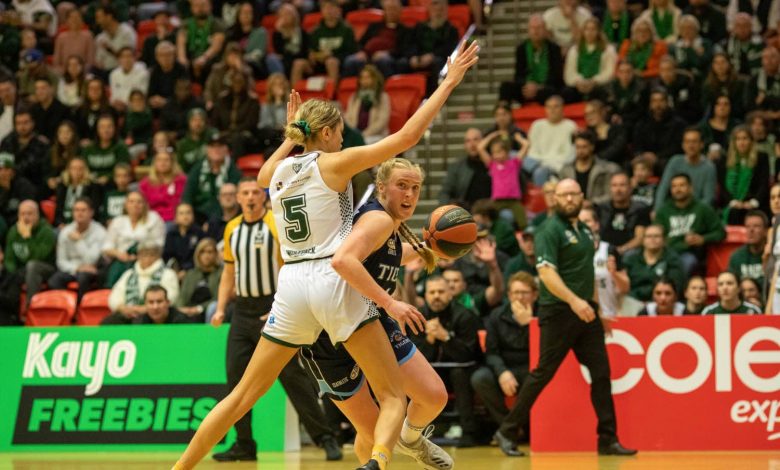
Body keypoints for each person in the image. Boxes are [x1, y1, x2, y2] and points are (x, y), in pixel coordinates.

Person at [172, 40, 479, 470]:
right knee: (391, 396)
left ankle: (179, 467)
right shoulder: (334, 164)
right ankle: (379, 463)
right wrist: (449, 83)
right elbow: (407, 136)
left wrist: (289, 135)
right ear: (331, 132)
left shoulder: (275, 173)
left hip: (292, 284)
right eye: (338, 132)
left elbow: (263, 172)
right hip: (331, 278)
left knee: (242, 395)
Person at [299, 158, 453, 468]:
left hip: (366, 319)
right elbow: (343, 261)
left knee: (433, 396)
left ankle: (411, 439)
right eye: (401, 186)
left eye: (415, 188)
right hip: (330, 333)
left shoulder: (388, 224)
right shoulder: (378, 220)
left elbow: (390, 255)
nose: (409, 195)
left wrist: (431, 248)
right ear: (381, 187)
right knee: (373, 434)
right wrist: (391, 303)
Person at [492, 178, 636, 457]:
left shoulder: (584, 230)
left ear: (582, 197)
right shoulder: (549, 230)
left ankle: (608, 439)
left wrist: (598, 309)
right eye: (563, 195)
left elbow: (587, 274)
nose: (569, 199)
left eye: (573, 194)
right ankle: (506, 431)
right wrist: (574, 301)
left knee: (602, 373)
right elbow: (546, 274)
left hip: (586, 312)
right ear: (554, 199)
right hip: (558, 311)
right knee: (543, 374)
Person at [208, 178, 341, 462]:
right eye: (244, 193)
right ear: (238, 199)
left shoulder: (275, 224)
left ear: (263, 197)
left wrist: (281, 303)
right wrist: (220, 308)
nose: (250, 197)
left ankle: (325, 437)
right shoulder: (232, 229)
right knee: (235, 377)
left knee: (292, 376)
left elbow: (288, 266)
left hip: (273, 306)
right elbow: (229, 274)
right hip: (242, 312)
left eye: (255, 192)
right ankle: (244, 443)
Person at [408, 276, 482, 447]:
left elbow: (468, 354)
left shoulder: (465, 315)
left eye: (441, 292)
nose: (436, 296)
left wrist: (446, 337)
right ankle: (418, 432)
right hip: (430, 371)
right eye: (432, 292)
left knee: (460, 375)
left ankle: (468, 432)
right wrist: (429, 340)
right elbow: (412, 354)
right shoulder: (416, 316)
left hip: (460, 372)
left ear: (450, 294)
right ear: (425, 295)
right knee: (412, 377)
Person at [470, 272, 534, 432]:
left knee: (536, 380)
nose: (520, 297)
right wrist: (502, 372)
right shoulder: (496, 316)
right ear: (509, 295)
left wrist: (529, 324)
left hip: (532, 367)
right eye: (516, 293)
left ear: (534, 295)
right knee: (480, 378)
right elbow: (491, 352)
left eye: (525, 293)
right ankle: (509, 427)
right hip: (505, 365)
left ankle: (521, 428)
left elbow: (544, 349)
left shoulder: (542, 315)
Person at [655, 173, 725, 275]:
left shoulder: (702, 209)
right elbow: (656, 232)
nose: (678, 189)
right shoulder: (663, 211)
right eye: (674, 186)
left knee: (685, 263)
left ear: (690, 188)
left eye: (682, 185)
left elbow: (720, 232)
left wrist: (703, 239)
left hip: (689, 253)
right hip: (666, 253)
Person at [101, 241, 180, 324]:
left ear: (158, 256)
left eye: (151, 255)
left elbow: (171, 298)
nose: (147, 258)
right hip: (128, 313)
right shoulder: (129, 274)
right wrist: (123, 308)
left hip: (154, 315)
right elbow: (115, 296)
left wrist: (146, 308)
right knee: (109, 322)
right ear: (138, 256)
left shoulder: (168, 274)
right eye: (144, 255)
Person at [101, 191, 166, 287]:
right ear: (126, 205)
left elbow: (159, 244)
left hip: (146, 259)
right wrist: (119, 254)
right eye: (131, 201)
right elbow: (106, 247)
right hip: (121, 259)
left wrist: (141, 255)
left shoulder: (154, 219)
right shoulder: (117, 221)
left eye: (139, 202)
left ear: (145, 204)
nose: (135, 205)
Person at [48, 196, 106, 299]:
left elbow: (91, 260)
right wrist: (76, 268)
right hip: (73, 269)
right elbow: (61, 261)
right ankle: (67, 308)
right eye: (76, 210)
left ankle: (81, 309)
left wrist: (79, 241)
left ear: (91, 212)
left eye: (83, 210)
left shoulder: (100, 232)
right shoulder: (66, 232)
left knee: (83, 278)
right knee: (54, 280)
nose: (79, 213)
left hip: (92, 271)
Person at [499, 15, 564, 105]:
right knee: (505, 87)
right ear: (528, 30)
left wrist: (538, 87)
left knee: (558, 92)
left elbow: (557, 76)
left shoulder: (554, 49)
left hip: (545, 89)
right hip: (526, 88)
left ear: (545, 30)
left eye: (539, 28)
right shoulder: (521, 49)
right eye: (533, 28)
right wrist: (528, 85)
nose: (536, 31)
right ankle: (503, 114)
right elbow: (518, 75)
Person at [3, 199, 56, 308]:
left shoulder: (46, 231)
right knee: (10, 274)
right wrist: (12, 273)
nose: (26, 217)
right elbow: (9, 259)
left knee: (32, 266)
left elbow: (38, 256)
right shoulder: (13, 231)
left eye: (30, 213)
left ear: (37, 215)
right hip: (21, 270)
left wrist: (27, 237)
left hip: (46, 269)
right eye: (22, 214)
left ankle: (31, 305)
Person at [579, 206, 629, 318]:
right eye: (579, 222)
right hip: (581, 316)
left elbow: (625, 288)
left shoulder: (609, 250)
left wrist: (614, 274)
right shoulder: (570, 253)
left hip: (608, 315)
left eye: (587, 221)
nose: (583, 225)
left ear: (596, 225)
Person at [182, 133, 242, 224]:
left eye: (220, 146)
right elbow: (188, 194)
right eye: (212, 146)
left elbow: (235, 198)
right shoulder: (198, 168)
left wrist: (213, 221)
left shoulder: (233, 170)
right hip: (198, 216)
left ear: (226, 149)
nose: (216, 150)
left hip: (225, 217)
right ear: (207, 149)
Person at [292, 0, 355, 84]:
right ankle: (293, 94)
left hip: (338, 64)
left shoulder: (346, 30)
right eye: (325, 8)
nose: (329, 11)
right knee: (298, 63)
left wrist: (331, 54)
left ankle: (332, 93)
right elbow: (311, 51)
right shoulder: (316, 31)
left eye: (331, 7)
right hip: (318, 63)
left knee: (331, 62)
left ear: (338, 10)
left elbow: (350, 51)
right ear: (321, 11)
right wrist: (314, 56)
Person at [654, 127, 717, 211]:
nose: (690, 145)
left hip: (697, 212)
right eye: (687, 142)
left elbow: (708, 198)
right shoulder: (675, 162)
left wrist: (692, 214)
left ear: (701, 144)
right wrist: (657, 210)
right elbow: (663, 188)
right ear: (683, 145)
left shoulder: (709, 167)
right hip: (674, 210)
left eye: (694, 142)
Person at [477, 130, 528, 229]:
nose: (496, 155)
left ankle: (524, 235)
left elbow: (526, 145)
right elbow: (480, 148)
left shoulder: (514, 163)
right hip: (497, 200)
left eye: (499, 152)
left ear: (507, 151)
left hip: (513, 200)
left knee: (523, 221)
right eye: (494, 153)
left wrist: (519, 138)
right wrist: (492, 135)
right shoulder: (492, 165)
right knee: (488, 216)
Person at [719, 126, 770, 224]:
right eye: (738, 139)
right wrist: (733, 202)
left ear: (751, 141)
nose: (741, 142)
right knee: (734, 212)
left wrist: (753, 202)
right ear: (733, 142)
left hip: (754, 203)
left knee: (749, 213)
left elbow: (763, 184)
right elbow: (722, 187)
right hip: (731, 203)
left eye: (745, 138)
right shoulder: (724, 161)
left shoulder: (761, 158)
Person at [525, 95, 578, 186]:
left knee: (540, 172)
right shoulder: (537, 125)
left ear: (562, 108)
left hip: (558, 165)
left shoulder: (570, 126)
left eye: (556, 106)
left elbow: (570, 154)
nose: (552, 110)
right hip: (537, 163)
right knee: (512, 156)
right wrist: (543, 162)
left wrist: (547, 164)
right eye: (549, 107)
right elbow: (532, 152)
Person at [624, 224, 685, 302]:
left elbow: (675, 286)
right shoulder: (631, 259)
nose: (652, 239)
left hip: (661, 302)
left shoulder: (673, 259)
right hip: (633, 300)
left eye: (656, 236)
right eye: (649, 236)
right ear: (643, 240)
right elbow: (624, 285)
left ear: (664, 240)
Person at [595, 172, 650, 256]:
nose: (618, 190)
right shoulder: (602, 208)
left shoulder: (640, 209)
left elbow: (639, 238)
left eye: (622, 185)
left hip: (630, 252)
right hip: (603, 251)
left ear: (630, 188)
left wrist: (621, 250)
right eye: (614, 185)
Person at [631, 88, 686, 172]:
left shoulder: (678, 124)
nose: (658, 105)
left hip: (667, 160)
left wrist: (657, 157)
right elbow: (637, 146)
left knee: (665, 165)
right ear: (650, 104)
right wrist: (642, 155)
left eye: (661, 101)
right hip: (644, 160)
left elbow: (677, 148)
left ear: (667, 103)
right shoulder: (641, 124)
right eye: (654, 101)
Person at [563, 18, 617, 102]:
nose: (590, 33)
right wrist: (578, 82)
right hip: (579, 85)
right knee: (567, 93)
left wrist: (594, 81)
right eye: (587, 29)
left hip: (599, 85)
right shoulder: (574, 50)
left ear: (598, 31)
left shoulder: (608, 50)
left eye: (593, 29)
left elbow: (609, 72)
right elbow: (569, 73)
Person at [559, 129, 620, 204]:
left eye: (584, 147)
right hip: (572, 209)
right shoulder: (566, 170)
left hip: (598, 210)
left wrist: (591, 203)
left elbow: (610, 194)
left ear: (592, 147)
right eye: (578, 147)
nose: (580, 151)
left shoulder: (605, 170)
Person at [438, 129, 491, 210]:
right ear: (465, 145)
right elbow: (445, 192)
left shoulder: (495, 164)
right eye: (468, 141)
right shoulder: (456, 166)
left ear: (483, 141)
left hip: (490, 210)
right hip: (465, 212)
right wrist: (449, 209)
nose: (472, 144)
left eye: (476, 139)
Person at [176, 0, 226, 83]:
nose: (200, 8)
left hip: (210, 59)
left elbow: (216, 46)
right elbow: (181, 44)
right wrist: (182, 59)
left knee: (211, 66)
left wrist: (203, 58)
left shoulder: (217, 24)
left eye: (203, 5)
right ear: (191, 8)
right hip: (190, 58)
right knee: (180, 66)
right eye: (196, 6)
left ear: (210, 6)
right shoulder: (185, 25)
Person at [0, 109, 50, 191]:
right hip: (9, 186)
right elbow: (4, 164)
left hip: (34, 185)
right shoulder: (7, 141)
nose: (22, 127)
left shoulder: (41, 144)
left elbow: (33, 166)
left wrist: (13, 171)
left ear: (33, 123)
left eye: (25, 122)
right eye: (18, 123)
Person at [176, 237, 221, 321]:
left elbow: (218, 298)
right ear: (198, 255)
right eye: (202, 252)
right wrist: (181, 309)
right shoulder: (191, 274)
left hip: (208, 310)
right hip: (190, 309)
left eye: (210, 252)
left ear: (215, 254)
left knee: (212, 308)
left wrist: (199, 308)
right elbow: (182, 296)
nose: (206, 255)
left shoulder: (221, 273)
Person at [344, 65, 391, 145]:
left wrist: (364, 134)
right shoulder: (354, 97)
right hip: (356, 134)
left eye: (367, 77)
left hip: (375, 135)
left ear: (374, 79)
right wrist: (354, 134)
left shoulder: (383, 97)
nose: (364, 80)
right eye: (362, 78)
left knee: (364, 143)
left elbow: (382, 121)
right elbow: (348, 117)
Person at [138, 150, 187, 223]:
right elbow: (143, 206)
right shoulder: (145, 183)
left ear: (172, 163)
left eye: (166, 160)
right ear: (154, 163)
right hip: (151, 220)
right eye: (159, 160)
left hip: (173, 219)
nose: (162, 163)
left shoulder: (181, 180)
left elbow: (182, 203)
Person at [81, 114, 130, 185]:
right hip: (91, 184)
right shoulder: (89, 148)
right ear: (97, 129)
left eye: (109, 127)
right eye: (102, 127)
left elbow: (123, 169)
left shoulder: (121, 147)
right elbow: (83, 167)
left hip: (113, 184)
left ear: (114, 128)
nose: (106, 130)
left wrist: (108, 177)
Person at [53, 157, 101, 227]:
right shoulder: (63, 187)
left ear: (85, 170)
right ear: (68, 170)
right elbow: (58, 210)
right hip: (64, 224)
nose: (77, 171)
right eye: (74, 168)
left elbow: (94, 210)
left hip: (85, 224)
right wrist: (60, 224)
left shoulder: (93, 187)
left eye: (80, 169)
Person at [728, 210, 768, 287]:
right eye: (748, 226)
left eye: (756, 226)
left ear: (765, 231)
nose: (751, 230)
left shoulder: (773, 255)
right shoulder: (736, 257)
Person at [717, 13, 764, 78]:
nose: (742, 29)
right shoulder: (726, 44)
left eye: (745, 25)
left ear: (751, 27)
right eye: (738, 26)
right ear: (734, 28)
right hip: (733, 79)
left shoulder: (761, 43)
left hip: (755, 78)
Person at [163, 203, 205, 277]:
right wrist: (174, 270)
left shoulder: (199, 233)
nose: (185, 216)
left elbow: (201, 255)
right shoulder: (171, 234)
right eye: (181, 213)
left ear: (193, 216)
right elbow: (167, 255)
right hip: (174, 271)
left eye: (188, 213)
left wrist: (186, 270)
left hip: (195, 270)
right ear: (176, 217)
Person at [583, 99, 628, 167]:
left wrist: (596, 159)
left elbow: (617, 149)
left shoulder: (617, 129)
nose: (589, 117)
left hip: (618, 164)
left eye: (592, 113)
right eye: (586, 114)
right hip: (596, 167)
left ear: (602, 112)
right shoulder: (587, 134)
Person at [0, 152, 37, 225]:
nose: (2, 173)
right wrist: (5, 191)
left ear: (13, 171)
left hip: (22, 223)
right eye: (0, 169)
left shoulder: (24, 186)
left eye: (7, 169)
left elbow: (29, 211)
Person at [133, 285, 200, 324]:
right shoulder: (139, 323)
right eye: (151, 302)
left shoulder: (182, 322)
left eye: (159, 301)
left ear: (168, 303)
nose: (155, 307)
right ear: (145, 304)